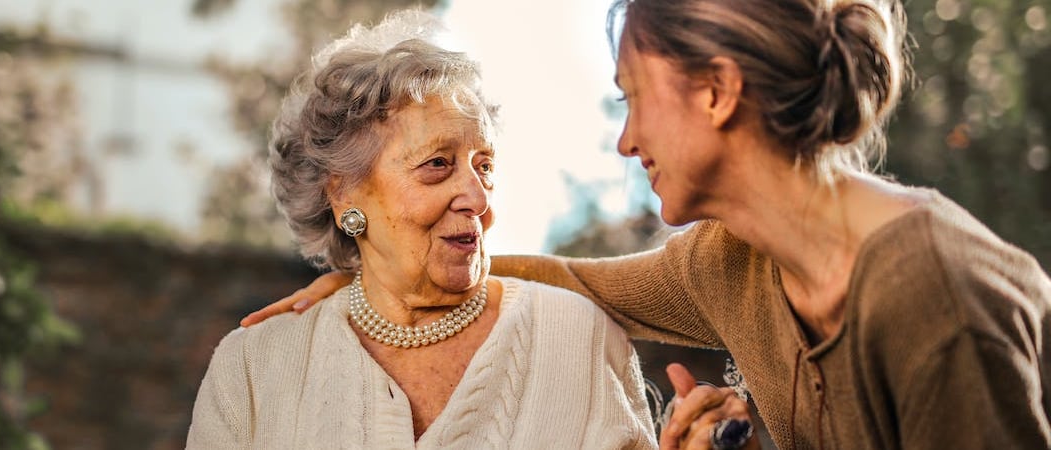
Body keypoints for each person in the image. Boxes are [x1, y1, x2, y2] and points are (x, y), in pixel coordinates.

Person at [240, 0, 1051, 449]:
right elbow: (568, 279)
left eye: (632, 95)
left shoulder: (933, 296)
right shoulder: (729, 262)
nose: (626, 139)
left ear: (717, 91)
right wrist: (371, 268)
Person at [186, 10, 657, 449]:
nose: (478, 198)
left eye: (484, 165)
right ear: (344, 194)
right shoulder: (252, 369)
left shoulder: (581, 339)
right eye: (437, 164)